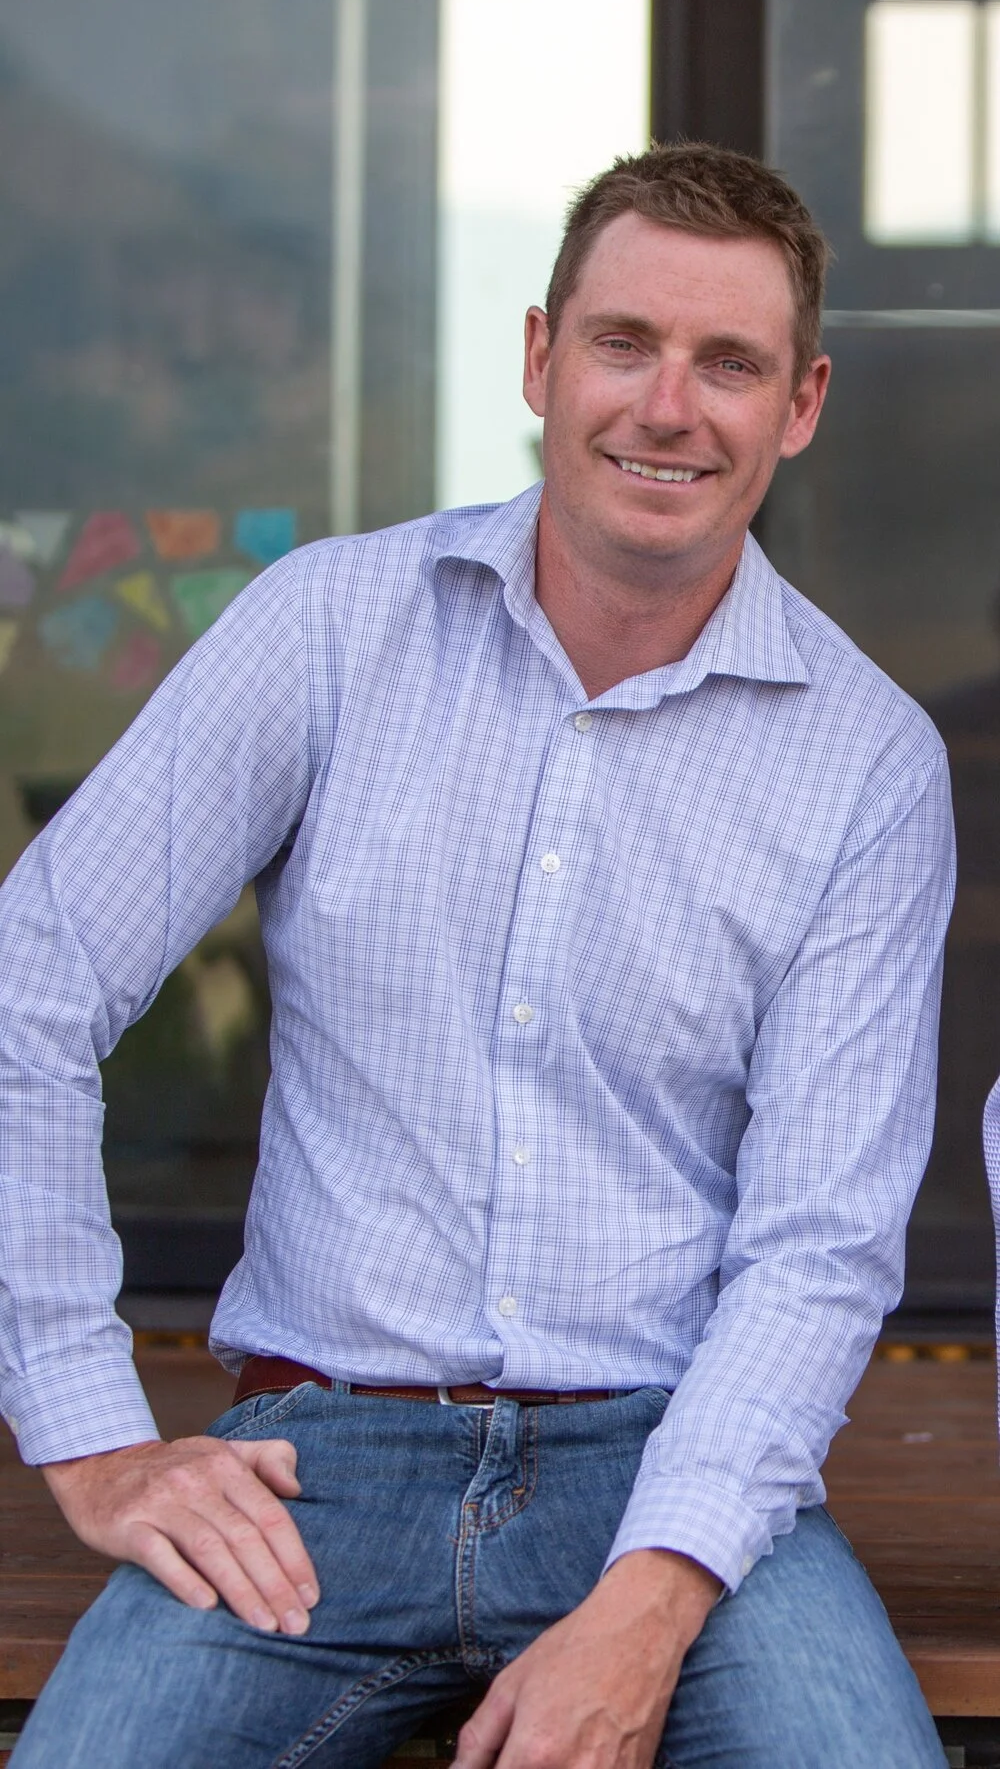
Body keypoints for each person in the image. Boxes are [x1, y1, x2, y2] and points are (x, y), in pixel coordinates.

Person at [1, 143, 953, 1768]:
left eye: (729, 364)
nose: (669, 406)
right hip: (317, 1459)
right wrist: (90, 1429)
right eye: (623, 343)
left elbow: (817, 1248)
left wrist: (648, 1603)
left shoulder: (867, 762)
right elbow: (31, 976)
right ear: (537, 356)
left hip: (674, 1465)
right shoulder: (328, 628)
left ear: (798, 406)